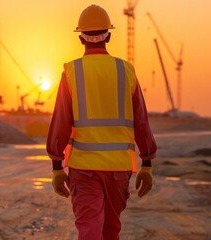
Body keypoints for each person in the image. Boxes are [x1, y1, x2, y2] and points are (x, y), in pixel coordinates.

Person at [46, 4, 157, 240]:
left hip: (84, 170)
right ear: (109, 35)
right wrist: (146, 162)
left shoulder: (71, 72)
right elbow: (141, 121)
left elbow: (61, 121)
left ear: (81, 39)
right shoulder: (126, 70)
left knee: (89, 231)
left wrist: (57, 166)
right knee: (110, 231)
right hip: (118, 169)